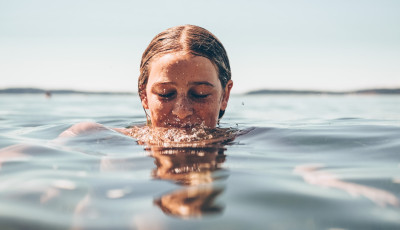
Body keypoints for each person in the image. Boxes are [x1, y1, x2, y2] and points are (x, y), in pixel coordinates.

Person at [60, 24, 233, 139]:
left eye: (199, 94)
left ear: (225, 96)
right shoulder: (95, 136)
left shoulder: (247, 141)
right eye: (165, 94)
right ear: (144, 95)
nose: (182, 111)